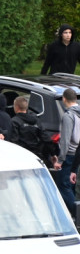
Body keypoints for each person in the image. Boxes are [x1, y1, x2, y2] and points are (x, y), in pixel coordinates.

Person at [9, 95, 58, 168]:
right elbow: (46, 139)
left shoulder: (14, 121)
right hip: (35, 156)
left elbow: (14, 141)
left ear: (16, 107)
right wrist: (53, 154)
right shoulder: (36, 121)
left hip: (21, 157)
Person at [56, 88, 80, 218]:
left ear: (64, 99)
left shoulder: (68, 116)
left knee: (63, 186)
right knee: (71, 185)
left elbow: (65, 140)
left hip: (69, 154)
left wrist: (60, 160)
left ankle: (76, 214)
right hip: (77, 154)